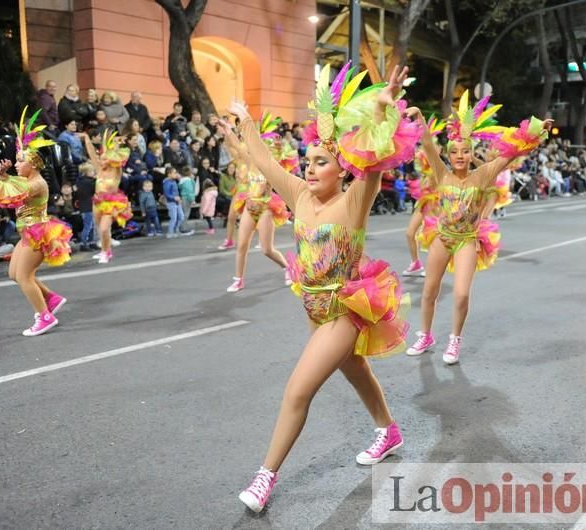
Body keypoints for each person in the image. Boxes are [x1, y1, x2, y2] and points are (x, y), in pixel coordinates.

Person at [227, 63, 419, 513]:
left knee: (298, 389)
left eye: (321, 162)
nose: (309, 168)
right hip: (314, 308)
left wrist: (379, 112)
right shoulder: (297, 195)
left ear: (341, 169)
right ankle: (388, 430)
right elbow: (263, 161)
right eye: (307, 161)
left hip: (344, 310)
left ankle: (264, 477)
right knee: (356, 371)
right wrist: (247, 121)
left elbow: (373, 164)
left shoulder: (354, 199)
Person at [405, 92, 551, 364]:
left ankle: (454, 340)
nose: (460, 156)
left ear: (472, 153)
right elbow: (426, 143)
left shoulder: (482, 175)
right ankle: (425, 335)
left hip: (466, 241)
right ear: (448, 155)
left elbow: (512, 153)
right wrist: (420, 118)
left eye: (465, 151)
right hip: (442, 238)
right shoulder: (441, 173)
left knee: (461, 294)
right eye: (454, 152)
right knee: (429, 291)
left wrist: (537, 130)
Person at [0, 109, 72, 336]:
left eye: (21, 161)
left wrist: (4, 178)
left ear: (33, 164)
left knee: (24, 276)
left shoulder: (37, 183)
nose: (16, 164)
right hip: (26, 232)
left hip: (37, 232)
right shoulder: (24, 179)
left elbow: (8, 194)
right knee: (14, 274)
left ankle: (45, 317)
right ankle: (50, 298)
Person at [216, 115, 291, 293]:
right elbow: (235, 144)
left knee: (266, 249)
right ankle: (238, 279)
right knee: (242, 245)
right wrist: (227, 130)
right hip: (250, 206)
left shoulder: (271, 167)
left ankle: (287, 268)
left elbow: (282, 157)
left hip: (266, 208)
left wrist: (279, 145)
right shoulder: (250, 162)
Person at [403, 117, 445, 276]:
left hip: (435, 204)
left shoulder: (437, 166)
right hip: (423, 203)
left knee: (433, 236)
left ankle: (437, 265)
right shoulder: (424, 168)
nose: (421, 150)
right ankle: (416, 264)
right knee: (410, 233)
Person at [82, 130, 132, 264]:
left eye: (104, 158)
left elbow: (117, 158)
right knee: (102, 230)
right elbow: (92, 153)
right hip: (97, 202)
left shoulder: (116, 171)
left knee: (104, 228)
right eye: (101, 158)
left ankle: (106, 252)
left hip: (112, 203)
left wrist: (115, 146)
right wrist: (87, 138)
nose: (101, 161)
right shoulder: (99, 170)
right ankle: (105, 250)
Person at [75, 162, 97, 251]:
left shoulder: (80, 182)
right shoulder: (87, 182)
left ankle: (91, 242)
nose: (93, 173)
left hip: (87, 206)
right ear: (85, 173)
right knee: (88, 226)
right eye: (91, 171)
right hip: (87, 207)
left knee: (91, 226)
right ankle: (84, 244)